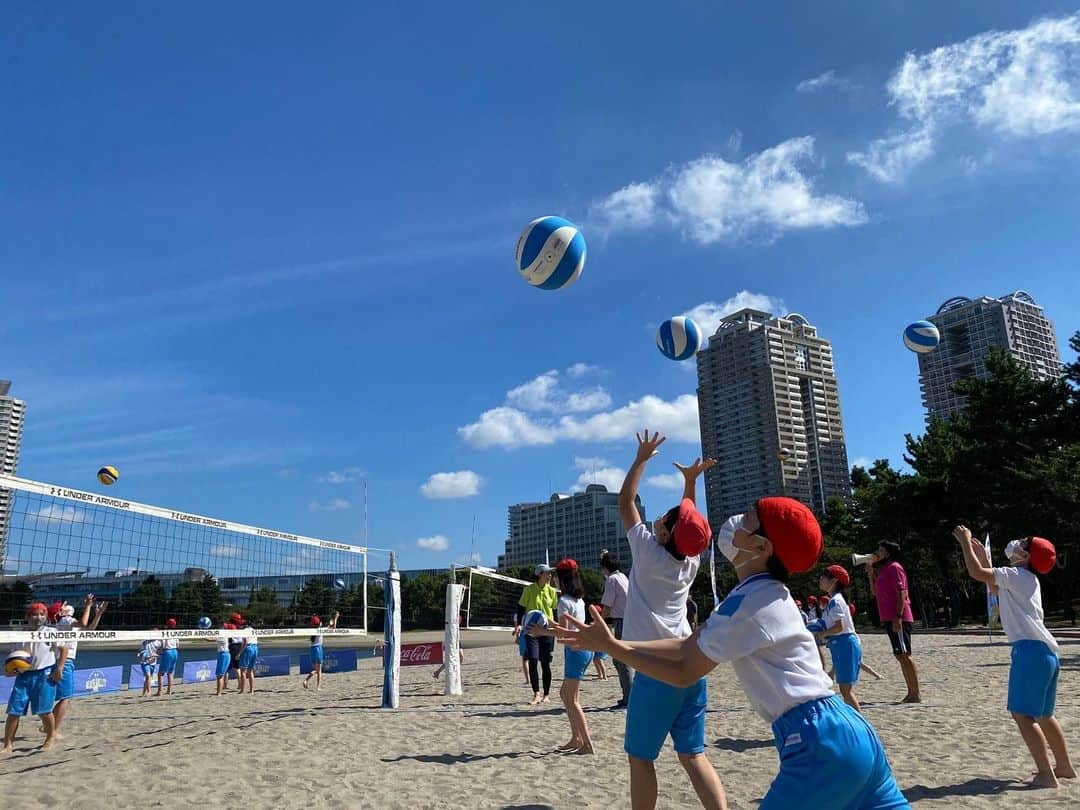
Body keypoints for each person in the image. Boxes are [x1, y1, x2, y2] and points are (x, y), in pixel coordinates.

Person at [554, 494, 907, 809]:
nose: (737, 521)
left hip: (817, 742)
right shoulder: (761, 595)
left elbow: (683, 670)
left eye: (749, 519)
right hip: (852, 732)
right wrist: (615, 645)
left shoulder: (749, 603)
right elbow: (685, 644)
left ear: (761, 548)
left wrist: (614, 647)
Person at [614, 430, 728, 810]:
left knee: (641, 758)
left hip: (657, 669)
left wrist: (642, 458)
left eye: (662, 518)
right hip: (691, 665)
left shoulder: (648, 553)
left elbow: (626, 500)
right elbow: (690, 530)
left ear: (662, 532)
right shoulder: (690, 561)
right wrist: (690, 484)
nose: (658, 517)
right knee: (692, 754)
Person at [953, 526, 1075, 789]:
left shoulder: (1017, 575)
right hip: (1047, 654)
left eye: (1024, 543)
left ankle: (1046, 774)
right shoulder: (1026, 579)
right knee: (1044, 714)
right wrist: (984, 560)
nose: (1018, 543)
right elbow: (994, 588)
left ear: (1028, 556)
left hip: (1029, 652)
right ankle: (1064, 767)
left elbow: (976, 574)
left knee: (1022, 715)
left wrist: (963, 543)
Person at [529, 558, 595, 754]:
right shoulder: (578, 600)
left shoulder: (564, 601)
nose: (554, 579)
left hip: (576, 651)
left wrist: (542, 631)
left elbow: (563, 634)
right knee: (568, 696)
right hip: (583, 649)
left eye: (556, 576)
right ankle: (576, 738)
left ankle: (587, 743)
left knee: (570, 698)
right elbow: (568, 628)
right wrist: (549, 622)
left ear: (563, 579)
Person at [2, 602, 66, 754]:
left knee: (44, 711)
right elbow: (13, 658)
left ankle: (50, 738)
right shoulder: (20, 634)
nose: (39, 617)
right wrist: (10, 670)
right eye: (35, 614)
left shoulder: (51, 631)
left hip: (45, 674)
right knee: (14, 712)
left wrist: (59, 668)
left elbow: (64, 649)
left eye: (42, 614)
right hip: (24, 675)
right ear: (28, 616)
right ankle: (8, 745)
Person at [867, 541, 921, 703]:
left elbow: (902, 593)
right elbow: (874, 592)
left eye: (880, 550)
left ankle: (915, 693)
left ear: (888, 553)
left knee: (905, 654)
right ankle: (911, 691)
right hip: (888, 616)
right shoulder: (883, 570)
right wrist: (871, 574)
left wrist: (897, 616)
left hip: (899, 617)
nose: (877, 552)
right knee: (899, 655)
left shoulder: (895, 567)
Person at [807, 565, 863, 712]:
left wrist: (820, 634)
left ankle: (862, 726)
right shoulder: (834, 600)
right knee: (845, 690)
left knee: (846, 690)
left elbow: (840, 627)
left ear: (834, 581)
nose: (820, 579)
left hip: (845, 642)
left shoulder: (836, 600)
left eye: (824, 576)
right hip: (840, 644)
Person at [52, 595, 105, 737]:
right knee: (66, 698)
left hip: (62, 660)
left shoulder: (67, 623)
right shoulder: (66, 620)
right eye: (63, 605)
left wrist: (98, 615)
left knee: (65, 698)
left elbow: (89, 629)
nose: (66, 605)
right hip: (65, 660)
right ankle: (53, 730)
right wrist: (88, 605)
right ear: (60, 611)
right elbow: (83, 623)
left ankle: (50, 724)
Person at [514, 564, 558, 705]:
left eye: (550, 573)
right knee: (533, 660)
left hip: (547, 631)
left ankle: (546, 694)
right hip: (531, 631)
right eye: (547, 573)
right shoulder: (528, 590)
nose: (550, 575)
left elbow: (555, 612)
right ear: (539, 574)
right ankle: (536, 694)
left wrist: (557, 627)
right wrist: (519, 625)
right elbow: (520, 608)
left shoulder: (552, 591)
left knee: (545, 664)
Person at [600, 551, 632, 707]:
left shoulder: (611, 580)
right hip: (630, 620)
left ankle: (628, 696)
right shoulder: (623, 577)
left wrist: (598, 621)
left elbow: (607, 605)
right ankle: (628, 694)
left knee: (620, 659)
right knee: (621, 659)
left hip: (621, 621)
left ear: (605, 567)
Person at [303, 610, 338, 691]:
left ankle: (306, 681)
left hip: (312, 649)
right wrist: (335, 618)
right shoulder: (320, 630)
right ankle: (317, 687)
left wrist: (333, 618)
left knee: (316, 670)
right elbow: (333, 627)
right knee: (319, 671)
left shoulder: (313, 631)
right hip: (318, 649)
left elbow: (329, 625)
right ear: (319, 623)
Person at [157, 618, 180, 697]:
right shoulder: (176, 633)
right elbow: (178, 645)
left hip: (168, 651)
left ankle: (160, 692)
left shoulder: (165, 633)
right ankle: (169, 691)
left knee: (160, 674)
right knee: (170, 673)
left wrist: (159, 651)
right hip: (175, 652)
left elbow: (163, 645)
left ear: (167, 624)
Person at [237, 616, 258, 694]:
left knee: (243, 671)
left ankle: (242, 690)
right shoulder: (253, 630)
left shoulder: (245, 630)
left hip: (248, 648)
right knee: (250, 671)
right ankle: (252, 690)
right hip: (255, 648)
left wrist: (239, 654)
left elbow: (245, 642)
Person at [137, 632, 162, 697]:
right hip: (144, 662)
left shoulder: (158, 642)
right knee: (148, 676)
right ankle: (149, 692)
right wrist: (140, 654)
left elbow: (160, 652)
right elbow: (140, 651)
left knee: (148, 678)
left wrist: (156, 655)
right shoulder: (144, 642)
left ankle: (143, 692)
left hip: (153, 663)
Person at [213, 621, 231, 697]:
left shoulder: (222, 635)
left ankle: (219, 693)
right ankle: (221, 689)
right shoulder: (225, 634)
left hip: (224, 654)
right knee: (222, 674)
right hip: (224, 654)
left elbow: (210, 639)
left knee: (219, 675)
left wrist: (203, 634)